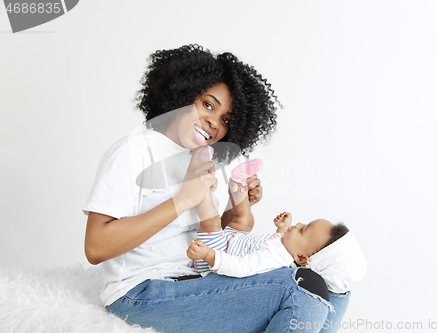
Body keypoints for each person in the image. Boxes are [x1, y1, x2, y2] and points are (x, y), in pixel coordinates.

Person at [83, 44, 349, 333]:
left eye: (226, 120)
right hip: (142, 293)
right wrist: (183, 199)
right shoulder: (134, 151)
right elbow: (96, 248)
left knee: (334, 282)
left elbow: (207, 237)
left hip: (197, 280)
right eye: (208, 104)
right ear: (182, 95)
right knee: (302, 286)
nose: (213, 122)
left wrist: (237, 207)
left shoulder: (199, 158)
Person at [187, 176, 364, 297]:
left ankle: (200, 186)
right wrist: (283, 228)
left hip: (218, 253)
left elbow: (242, 267)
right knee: (247, 221)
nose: (299, 223)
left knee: (211, 221)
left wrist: (208, 255)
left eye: (303, 230)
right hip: (233, 240)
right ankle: (238, 187)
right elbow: (278, 243)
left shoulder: (275, 259)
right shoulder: (286, 249)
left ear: (301, 258)